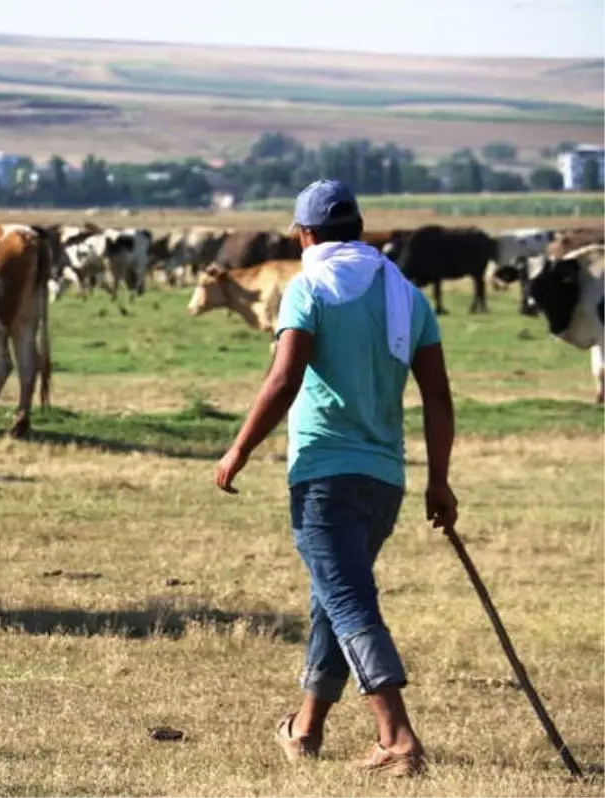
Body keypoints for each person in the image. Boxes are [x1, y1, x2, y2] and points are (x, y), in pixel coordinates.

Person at [214, 179, 458, 778]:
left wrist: (239, 449)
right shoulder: (407, 295)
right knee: (334, 593)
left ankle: (397, 738)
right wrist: (439, 481)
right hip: (385, 481)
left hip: (324, 474)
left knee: (348, 598)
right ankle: (305, 729)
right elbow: (438, 398)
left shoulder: (310, 287)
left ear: (306, 235)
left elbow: (283, 379)